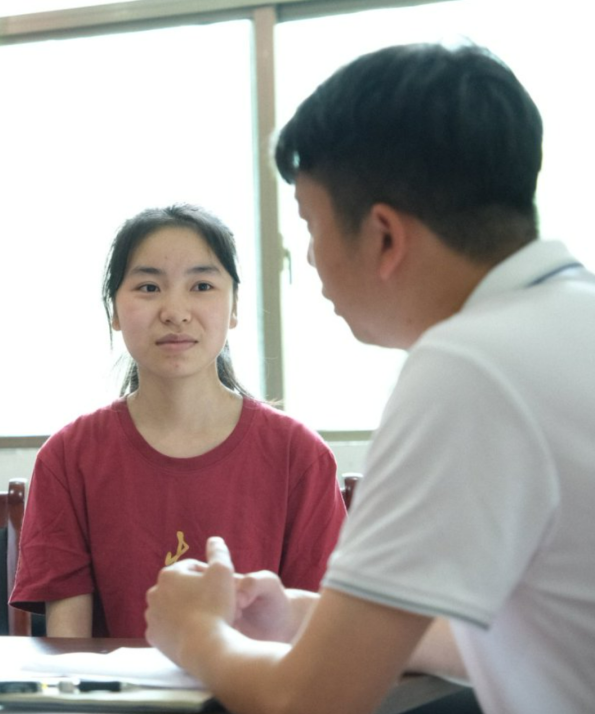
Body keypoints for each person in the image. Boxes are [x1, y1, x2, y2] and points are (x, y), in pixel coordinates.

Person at [144, 43, 595, 714]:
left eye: (311, 226)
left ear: (384, 236)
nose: (309, 259)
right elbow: (528, 633)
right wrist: (301, 616)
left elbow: (310, 703)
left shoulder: (469, 366)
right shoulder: (564, 320)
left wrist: (195, 633)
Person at [10, 204, 346, 638]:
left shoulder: (299, 454)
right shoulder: (67, 457)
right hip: (111, 686)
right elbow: (68, 645)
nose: (175, 311)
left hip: (260, 682)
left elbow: (318, 633)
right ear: (114, 311)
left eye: (202, 286)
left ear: (234, 307)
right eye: (148, 287)